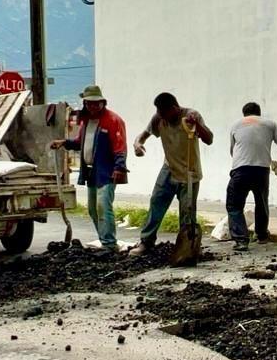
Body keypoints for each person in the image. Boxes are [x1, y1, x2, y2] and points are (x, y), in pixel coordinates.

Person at [129, 92, 213, 256]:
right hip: (169, 169)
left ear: (174, 108)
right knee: (156, 203)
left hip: (190, 171)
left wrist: (197, 126)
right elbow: (143, 136)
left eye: (164, 112)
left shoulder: (191, 116)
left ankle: (188, 246)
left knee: (187, 213)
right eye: (159, 112)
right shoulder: (158, 119)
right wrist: (137, 144)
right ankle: (146, 242)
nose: (161, 116)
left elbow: (209, 139)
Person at [51, 85, 128, 250]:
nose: (93, 107)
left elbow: (120, 147)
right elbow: (80, 143)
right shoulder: (86, 121)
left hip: (106, 171)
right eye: (89, 103)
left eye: (96, 103)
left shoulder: (113, 120)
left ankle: (109, 244)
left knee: (103, 206)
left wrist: (119, 168)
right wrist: (64, 142)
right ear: (85, 104)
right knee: (93, 209)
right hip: (91, 171)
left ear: (102, 103)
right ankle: (103, 240)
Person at [226, 102, 277, 251]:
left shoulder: (236, 125)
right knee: (261, 202)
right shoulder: (270, 124)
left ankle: (241, 240)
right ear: (259, 113)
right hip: (261, 170)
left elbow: (232, 150)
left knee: (234, 205)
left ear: (244, 114)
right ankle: (261, 236)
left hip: (240, 170)